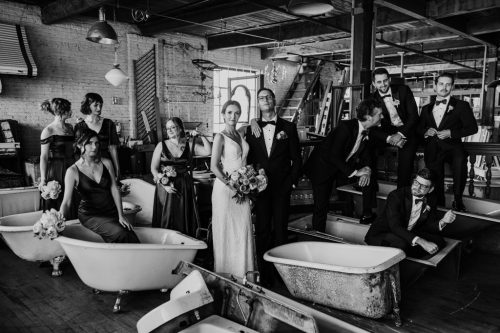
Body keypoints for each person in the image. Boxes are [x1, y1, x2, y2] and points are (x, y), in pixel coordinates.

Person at [245, 87, 302, 286]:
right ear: (258, 103)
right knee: (262, 231)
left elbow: (297, 159)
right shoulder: (251, 129)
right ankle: (264, 274)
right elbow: (249, 159)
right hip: (260, 189)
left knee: (280, 230)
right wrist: (252, 183)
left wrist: (292, 183)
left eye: (268, 96)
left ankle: (281, 274)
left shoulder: (289, 128)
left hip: (282, 188)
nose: (265, 100)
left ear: (274, 100)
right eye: (261, 98)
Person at [303, 99, 383, 231]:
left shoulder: (367, 130)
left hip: (341, 167)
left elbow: (367, 155)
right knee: (321, 206)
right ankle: (318, 237)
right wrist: (356, 173)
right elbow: (333, 156)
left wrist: (367, 170)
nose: (382, 116)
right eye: (379, 114)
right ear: (369, 117)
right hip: (322, 167)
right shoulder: (345, 128)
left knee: (369, 176)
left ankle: (367, 213)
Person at [59, 128, 139, 243]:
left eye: (96, 143)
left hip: (110, 211)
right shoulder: (72, 171)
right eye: (90, 143)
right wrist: (58, 221)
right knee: (121, 233)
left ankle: (133, 259)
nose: (94, 147)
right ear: (80, 145)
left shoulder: (106, 163)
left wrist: (121, 215)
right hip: (90, 215)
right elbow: (66, 202)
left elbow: (114, 189)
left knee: (129, 231)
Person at [418, 73, 478, 211]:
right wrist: (426, 132)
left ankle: (458, 200)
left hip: (453, 148)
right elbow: (419, 129)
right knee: (435, 176)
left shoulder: (462, 105)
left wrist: (451, 133)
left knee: (460, 160)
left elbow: (472, 128)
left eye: (448, 84)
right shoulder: (426, 108)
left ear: (452, 86)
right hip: (433, 148)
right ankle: (439, 205)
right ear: (435, 86)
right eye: (441, 84)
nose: (444, 87)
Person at [365, 168, 456, 258]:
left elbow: (427, 226)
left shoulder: (432, 199)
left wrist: (443, 221)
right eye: (416, 182)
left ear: (431, 189)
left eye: (423, 186)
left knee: (439, 241)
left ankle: (409, 254)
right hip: (383, 233)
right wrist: (422, 242)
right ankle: (409, 260)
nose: (417, 187)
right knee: (402, 244)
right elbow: (395, 226)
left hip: (408, 231)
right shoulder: (396, 196)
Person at [210, 100, 255, 277]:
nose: (233, 116)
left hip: (243, 187)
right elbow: (214, 166)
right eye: (229, 112)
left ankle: (243, 272)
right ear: (223, 114)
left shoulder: (240, 133)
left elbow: (253, 121)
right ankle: (226, 274)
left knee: (243, 227)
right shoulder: (220, 137)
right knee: (227, 229)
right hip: (225, 188)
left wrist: (248, 183)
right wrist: (233, 185)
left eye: (236, 113)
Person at [150, 117, 211, 237]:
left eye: (173, 127)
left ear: (180, 128)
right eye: (168, 128)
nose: (170, 130)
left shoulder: (188, 144)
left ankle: (184, 244)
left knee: (182, 216)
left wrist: (201, 136)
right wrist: (163, 183)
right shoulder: (161, 145)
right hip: (166, 185)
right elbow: (153, 168)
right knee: (167, 216)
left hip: (184, 184)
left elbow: (208, 151)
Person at [369, 67, 420, 189]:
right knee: (368, 145)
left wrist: (400, 134)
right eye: (379, 82)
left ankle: (401, 193)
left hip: (408, 129)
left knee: (405, 162)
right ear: (374, 83)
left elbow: (414, 116)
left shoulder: (403, 90)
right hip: (387, 132)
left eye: (385, 80)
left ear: (389, 79)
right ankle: (371, 186)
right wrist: (389, 138)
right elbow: (372, 125)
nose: (383, 84)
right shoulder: (371, 99)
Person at [39, 98, 77, 218]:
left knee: (74, 197)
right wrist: (43, 179)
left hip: (73, 164)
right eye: (69, 109)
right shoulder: (48, 130)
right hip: (57, 169)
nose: (71, 111)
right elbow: (44, 157)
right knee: (59, 198)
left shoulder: (70, 128)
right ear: (62, 111)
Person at [74, 93, 121, 179]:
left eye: (101, 105)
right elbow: (78, 151)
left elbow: (113, 148)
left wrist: (117, 169)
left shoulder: (109, 123)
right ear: (88, 106)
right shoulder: (79, 126)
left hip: (106, 164)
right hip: (87, 165)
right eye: (95, 105)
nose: (99, 108)